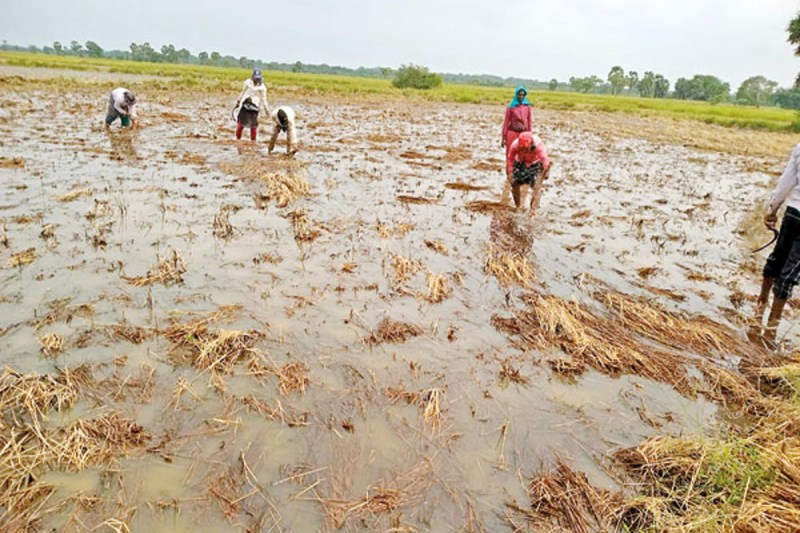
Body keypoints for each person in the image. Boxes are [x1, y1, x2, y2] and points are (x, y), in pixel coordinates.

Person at [754, 143, 800, 347]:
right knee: (790, 272)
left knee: (777, 258)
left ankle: (760, 304)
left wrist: (773, 209)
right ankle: (772, 327)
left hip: (793, 212)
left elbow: (785, 183)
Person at [506, 132, 551, 212]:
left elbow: (545, 160)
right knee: (514, 182)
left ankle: (533, 211)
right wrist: (510, 172)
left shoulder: (538, 145)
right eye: (522, 149)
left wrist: (546, 171)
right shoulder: (515, 145)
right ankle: (518, 207)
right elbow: (510, 159)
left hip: (536, 163)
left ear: (531, 145)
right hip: (521, 162)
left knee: (536, 187)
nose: (524, 151)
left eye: (526, 149)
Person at [235, 69, 269, 141]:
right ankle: (238, 139)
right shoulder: (247, 83)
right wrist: (238, 101)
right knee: (240, 125)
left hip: (254, 107)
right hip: (245, 105)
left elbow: (264, 100)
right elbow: (242, 92)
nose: (256, 80)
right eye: (255, 78)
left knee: (253, 127)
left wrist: (267, 111)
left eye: (258, 79)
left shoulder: (262, 87)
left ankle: (253, 141)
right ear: (252, 77)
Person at [501, 86, 532, 157]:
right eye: (519, 94)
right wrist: (504, 137)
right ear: (516, 94)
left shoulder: (527, 106)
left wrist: (530, 136)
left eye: (523, 95)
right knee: (510, 154)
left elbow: (529, 122)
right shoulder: (511, 106)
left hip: (523, 134)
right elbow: (506, 122)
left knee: (522, 155)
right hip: (512, 133)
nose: (521, 96)